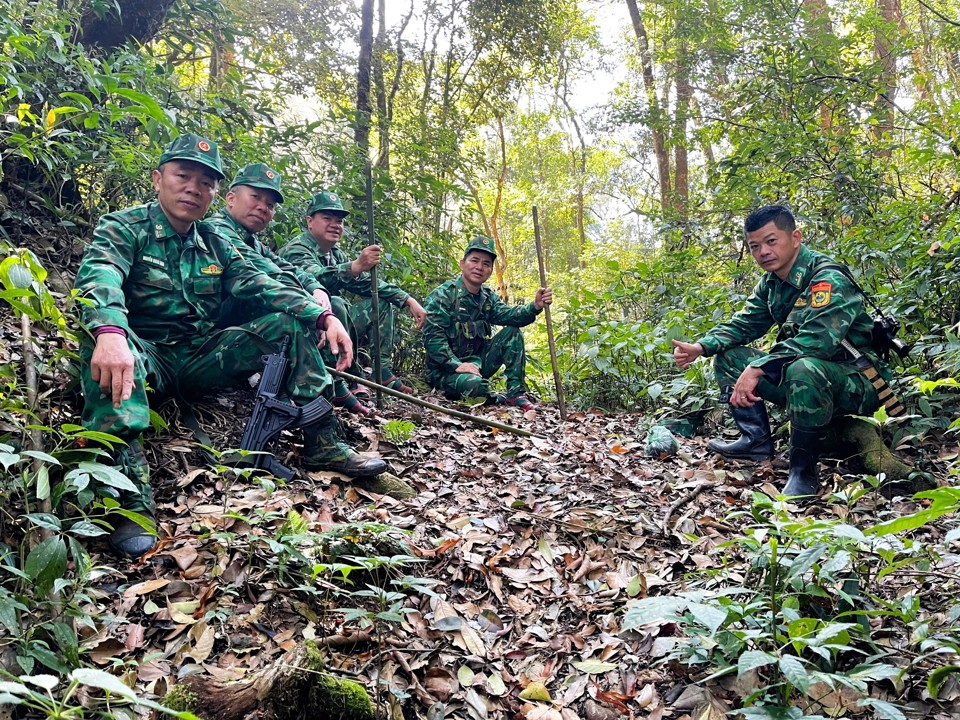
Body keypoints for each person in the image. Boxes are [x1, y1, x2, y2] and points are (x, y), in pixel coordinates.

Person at [73, 134, 386, 557]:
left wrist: (321, 315)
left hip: (202, 355)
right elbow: (100, 274)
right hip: (143, 349)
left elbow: (260, 282)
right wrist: (109, 332)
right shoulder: (125, 226)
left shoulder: (216, 241)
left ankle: (322, 440)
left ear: (214, 193)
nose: (193, 188)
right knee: (101, 354)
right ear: (157, 179)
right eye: (183, 176)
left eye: (205, 183)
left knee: (285, 324)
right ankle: (130, 498)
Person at [672, 204, 887, 499]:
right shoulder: (772, 283)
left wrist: (759, 367)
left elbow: (819, 340)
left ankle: (803, 471)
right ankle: (755, 441)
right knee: (731, 358)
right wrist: (701, 346)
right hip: (810, 377)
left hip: (856, 380)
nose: (763, 252)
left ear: (795, 237)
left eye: (771, 241)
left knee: (803, 367)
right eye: (755, 246)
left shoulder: (828, 278)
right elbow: (745, 323)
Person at [278, 191, 426, 402]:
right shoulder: (297, 249)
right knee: (336, 304)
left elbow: (365, 283)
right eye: (327, 218)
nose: (334, 225)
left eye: (338, 221)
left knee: (380, 303)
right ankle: (338, 379)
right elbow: (313, 279)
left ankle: (380, 370)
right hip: (304, 329)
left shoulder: (335, 254)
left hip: (332, 327)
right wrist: (355, 266)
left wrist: (406, 299)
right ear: (310, 221)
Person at [422, 235, 552, 411]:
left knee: (512, 333)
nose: (479, 267)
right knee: (476, 386)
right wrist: (457, 365)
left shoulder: (487, 297)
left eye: (486, 263)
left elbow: (510, 315)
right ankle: (492, 397)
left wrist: (535, 306)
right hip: (445, 371)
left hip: (477, 364)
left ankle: (515, 394)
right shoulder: (443, 295)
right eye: (474, 261)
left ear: (491, 270)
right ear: (462, 263)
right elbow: (433, 340)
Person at [202, 163, 331, 325]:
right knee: (292, 317)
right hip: (212, 329)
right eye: (255, 197)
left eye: (270, 205)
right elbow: (265, 272)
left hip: (236, 321)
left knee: (333, 304)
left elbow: (285, 267)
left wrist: (316, 288)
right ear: (231, 198)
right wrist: (315, 308)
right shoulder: (217, 229)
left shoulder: (251, 241)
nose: (263, 208)